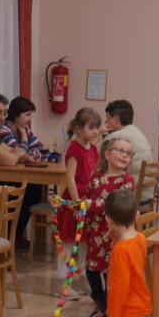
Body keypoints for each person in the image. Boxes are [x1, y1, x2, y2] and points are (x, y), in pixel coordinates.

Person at [80, 137, 137, 317]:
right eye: (119, 150)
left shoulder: (127, 182)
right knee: (91, 270)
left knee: (110, 273)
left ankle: (108, 312)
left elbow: (117, 207)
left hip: (114, 236)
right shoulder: (96, 177)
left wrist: (92, 205)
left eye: (128, 153)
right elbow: (87, 197)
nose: (124, 155)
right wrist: (81, 207)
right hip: (95, 233)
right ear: (107, 154)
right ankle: (101, 304)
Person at [56, 108, 101, 296]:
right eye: (91, 127)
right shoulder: (74, 149)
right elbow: (70, 179)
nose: (96, 131)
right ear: (78, 129)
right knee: (69, 244)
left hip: (87, 201)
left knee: (84, 244)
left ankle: (82, 278)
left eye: (97, 127)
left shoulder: (93, 149)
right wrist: (76, 204)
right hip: (75, 202)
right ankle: (62, 283)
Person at [0, 96, 48, 247]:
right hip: (4, 176)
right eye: (27, 115)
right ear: (15, 115)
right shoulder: (4, 130)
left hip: (19, 175)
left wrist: (32, 154)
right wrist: (25, 139)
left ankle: (17, 233)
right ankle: (11, 234)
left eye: (30, 115)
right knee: (29, 191)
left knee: (36, 189)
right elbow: (18, 153)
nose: (29, 119)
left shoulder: (24, 128)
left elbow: (41, 148)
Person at [101, 99, 153, 177]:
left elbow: (97, 159)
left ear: (117, 119)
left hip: (132, 182)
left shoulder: (116, 136)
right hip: (145, 181)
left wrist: (99, 133)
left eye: (108, 118)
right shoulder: (136, 130)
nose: (106, 122)